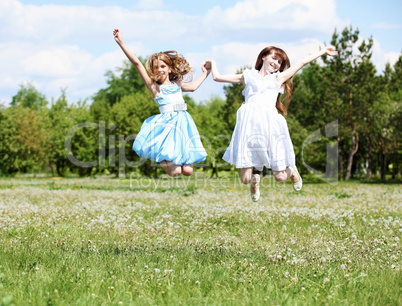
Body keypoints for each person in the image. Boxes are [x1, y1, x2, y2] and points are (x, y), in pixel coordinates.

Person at [207, 46, 338, 201]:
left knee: (280, 177)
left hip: (271, 128)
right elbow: (217, 77)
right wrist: (212, 62)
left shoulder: (277, 78)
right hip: (248, 127)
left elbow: (302, 62)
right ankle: (255, 181)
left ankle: (293, 171)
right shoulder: (247, 75)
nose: (276, 63)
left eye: (280, 61)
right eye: (274, 58)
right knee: (245, 179)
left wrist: (322, 52)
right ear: (263, 57)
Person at [113, 29, 210, 177]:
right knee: (176, 171)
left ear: (170, 69)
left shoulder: (177, 84)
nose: (159, 70)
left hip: (184, 125)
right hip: (166, 128)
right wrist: (121, 42)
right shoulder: (155, 88)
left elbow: (193, 87)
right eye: (156, 67)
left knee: (188, 171)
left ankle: (174, 160)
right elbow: (137, 63)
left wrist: (205, 73)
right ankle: (161, 156)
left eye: (163, 66)